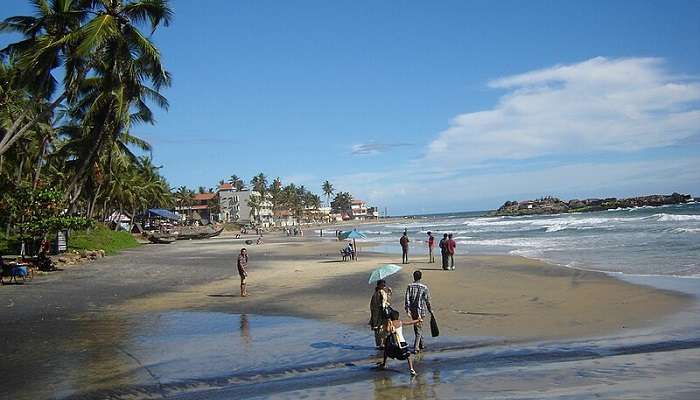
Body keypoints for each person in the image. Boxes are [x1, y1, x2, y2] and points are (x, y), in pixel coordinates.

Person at [378, 309, 421, 375]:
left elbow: (387, 330)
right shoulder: (400, 322)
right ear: (397, 316)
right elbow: (410, 322)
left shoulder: (390, 324)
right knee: (408, 356)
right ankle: (412, 369)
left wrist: (389, 323)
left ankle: (384, 364)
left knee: (386, 352)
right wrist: (418, 320)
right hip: (402, 343)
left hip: (393, 344)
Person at [405, 270, 432, 353]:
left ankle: (421, 344)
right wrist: (430, 310)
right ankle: (416, 347)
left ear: (414, 277)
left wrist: (407, 309)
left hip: (413, 310)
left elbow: (407, 299)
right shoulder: (424, 287)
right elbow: (427, 300)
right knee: (418, 328)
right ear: (420, 277)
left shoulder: (410, 286)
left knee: (417, 327)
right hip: (420, 311)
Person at [369, 279, 392, 349]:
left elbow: (372, 306)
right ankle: (383, 343)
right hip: (382, 313)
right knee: (383, 328)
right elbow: (385, 302)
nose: (384, 285)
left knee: (378, 329)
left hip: (376, 314)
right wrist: (389, 293)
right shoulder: (381, 292)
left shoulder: (375, 293)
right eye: (383, 284)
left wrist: (388, 293)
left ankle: (380, 344)